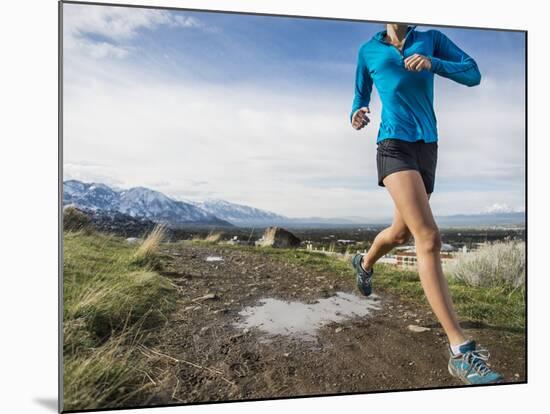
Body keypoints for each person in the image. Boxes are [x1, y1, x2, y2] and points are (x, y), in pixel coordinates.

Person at [349, 23, 503, 385]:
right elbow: (360, 96)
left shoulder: (430, 39)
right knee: (429, 238)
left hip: (427, 146)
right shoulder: (367, 51)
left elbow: (473, 73)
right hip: (392, 145)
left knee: (401, 233)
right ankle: (460, 351)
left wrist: (433, 63)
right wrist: (356, 113)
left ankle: (364, 262)